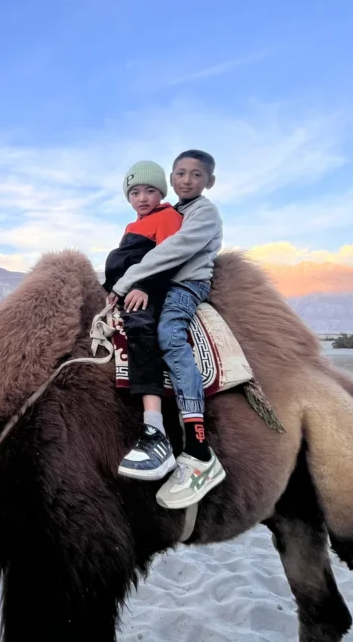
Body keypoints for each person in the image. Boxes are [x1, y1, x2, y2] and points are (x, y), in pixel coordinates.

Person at [109, 150, 227, 509]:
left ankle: (198, 448)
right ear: (172, 178)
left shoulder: (203, 212)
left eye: (196, 174)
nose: (187, 180)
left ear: (209, 181)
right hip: (164, 283)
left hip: (186, 285)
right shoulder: (174, 210)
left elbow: (174, 250)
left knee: (170, 336)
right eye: (180, 173)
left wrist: (128, 282)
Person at [103, 160, 183, 480]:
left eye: (150, 190)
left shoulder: (168, 216)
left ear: (161, 192)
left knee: (139, 328)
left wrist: (145, 288)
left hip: (153, 289)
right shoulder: (132, 225)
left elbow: (169, 258)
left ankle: (155, 428)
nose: (142, 198)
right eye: (135, 192)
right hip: (128, 288)